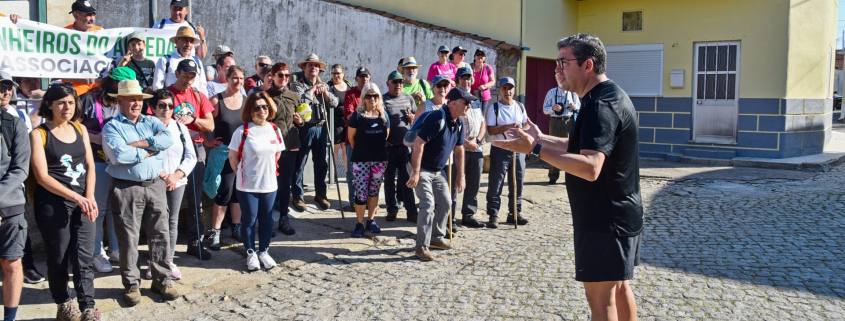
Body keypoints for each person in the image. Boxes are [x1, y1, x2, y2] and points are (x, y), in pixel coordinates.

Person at [493, 34, 643, 321]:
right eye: (556, 62)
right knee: (619, 287)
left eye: (564, 62)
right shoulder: (609, 96)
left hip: (604, 221)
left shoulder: (599, 106)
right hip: (621, 214)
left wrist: (535, 149)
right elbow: (581, 147)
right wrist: (541, 138)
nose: (557, 69)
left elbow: (590, 166)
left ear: (588, 65)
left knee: (601, 300)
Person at [102, 80, 179, 306]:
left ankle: (162, 280)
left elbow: (168, 139)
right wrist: (150, 150)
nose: (136, 103)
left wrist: (139, 144)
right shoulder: (112, 127)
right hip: (127, 187)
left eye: (138, 99)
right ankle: (131, 284)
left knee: (160, 234)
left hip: (155, 184)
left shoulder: (152, 121)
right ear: (120, 101)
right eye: (131, 99)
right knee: (128, 238)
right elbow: (119, 155)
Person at [30, 84, 101, 321]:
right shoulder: (39, 134)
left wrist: (89, 196)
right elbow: (42, 176)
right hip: (53, 204)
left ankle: (88, 307)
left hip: (83, 202)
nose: (67, 107)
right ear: (49, 105)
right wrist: (77, 197)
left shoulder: (80, 129)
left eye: (70, 102)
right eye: (60, 102)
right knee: (58, 256)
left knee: (84, 256)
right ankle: (64, 303)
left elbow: (90, 165)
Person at [79, 67, 136, 273]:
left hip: (119, 162)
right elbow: (74, 126)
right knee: (98, 208)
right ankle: (96, 252)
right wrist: (96, 138)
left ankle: (115, 248)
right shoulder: (88, 100)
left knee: (117, 206)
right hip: (96, 162)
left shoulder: (126, 103)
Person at [406, 88, 472, 261]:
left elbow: (459, 150)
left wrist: (461, 175)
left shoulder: (458, 123)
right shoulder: (437, 118)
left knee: (445, 202)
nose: (468, 106)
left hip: (437, 170)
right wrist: (415, 172)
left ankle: (436, 237)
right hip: (421, 168)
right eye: (466, 102)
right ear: (453, 103)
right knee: (427, 204)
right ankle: (421, 247)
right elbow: (418, 144)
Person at [227, 92, 285, 271]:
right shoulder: (242, 131)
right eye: (257, 107)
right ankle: (251, 253)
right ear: (250, 110)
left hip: (269, 184)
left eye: (265, 107)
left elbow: (277, 153)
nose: (262, 110)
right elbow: (233, 157)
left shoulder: (275, 129)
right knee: (250, 220)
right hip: (247, 186)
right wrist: (243, 174)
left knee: (267, 220)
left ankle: (264, 251)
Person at [166, 59, 215, 259]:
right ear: (177, 73)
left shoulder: (198, 96)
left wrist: (193, 120)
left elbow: (210, 125)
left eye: (192, 76)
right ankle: (164, 244)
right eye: (185, 75)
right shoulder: (166, 94)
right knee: (167, 197)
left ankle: (195, 241)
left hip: (195, 148)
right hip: (171, 149)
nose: (188, 79)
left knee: (195, 197)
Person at [149, 89, 196, 281]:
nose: (166, 109)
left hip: (177, 181)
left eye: (170, 106)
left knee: (172, 221)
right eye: (162, 105)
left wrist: (176, 176)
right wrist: (163, 175)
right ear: (153, 108)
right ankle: (155, 262)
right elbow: (145, 155)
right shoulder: (147, 127)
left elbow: (190, 156)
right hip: (154, 180)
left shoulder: (180, 128)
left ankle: (168, 261)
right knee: (154, 222)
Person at [0, 73, 30, 321]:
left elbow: (20, 169)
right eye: (1, 86)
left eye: (9, 87)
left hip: (10, 207)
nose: (6, 91)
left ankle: (9, 318)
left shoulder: (15, 124)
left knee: (11, 263)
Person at [290, 53, 337, 211]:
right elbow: (301, 101)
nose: (313, 68)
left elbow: (335, 102)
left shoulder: (324, 85)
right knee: (300, 163)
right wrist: (313, 90)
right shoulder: (297, 85)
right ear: (304, 67)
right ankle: (298, 196)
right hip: (305, 128)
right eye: (310, 65)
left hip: (321, 127)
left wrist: (325, 93)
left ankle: (321, 195)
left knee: (321, 163)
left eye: (316, 65)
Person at [206, 66, 245, 249]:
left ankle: (236, 227)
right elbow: (204, 122)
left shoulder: (246, 101)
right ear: (227, 79)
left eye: (241, 78)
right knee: (224, 192)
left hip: (242, 155)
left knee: (237, 193)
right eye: (235, 78)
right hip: (223, 155)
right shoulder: (217, 100)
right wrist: (207, 141)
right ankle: (215, 232)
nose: (238, 81)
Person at [485, 77, 529, 228]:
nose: (507, 91)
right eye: (504, 88)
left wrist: (521, 130)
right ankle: (493, 214)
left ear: (514, 90)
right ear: (500, 90)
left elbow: (526, 125)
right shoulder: (494, 108)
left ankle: (515, 213)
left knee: (518, 182)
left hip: (518, 149)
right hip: (500, 149)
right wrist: (507, 127)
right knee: (496, 182)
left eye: (510, 88)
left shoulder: (520, 107)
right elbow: (490, 130)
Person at [346, 83, 389, 237]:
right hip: (361, 160)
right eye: (369, 96)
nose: (372, 99)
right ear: (363, 98)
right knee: (361, 193)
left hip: (379, 160)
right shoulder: (357, 116)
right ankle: (359, 223)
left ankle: (371, 220)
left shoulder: (384, 116)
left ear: (379, 98)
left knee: (374, 191)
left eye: (375, 96)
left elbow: (386, 136)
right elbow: (351, 138)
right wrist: (363, 150)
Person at [267, 63, 302, 236]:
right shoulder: (265, 96)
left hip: (290, 145)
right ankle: (267, 220)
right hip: (271, 147)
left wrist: (300, 121)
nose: (284, 78)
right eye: (280, 75)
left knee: (285, 184)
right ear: (272, 76)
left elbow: (302, 118)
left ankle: (283, 217)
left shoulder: (294, 96)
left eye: (287, 75)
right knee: (269, 184)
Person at [451, 67, 486, 228]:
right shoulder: (454, 98)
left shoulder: (476, 100)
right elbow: (452, 126)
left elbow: (483, 123)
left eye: (469, 78)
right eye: (463, 78)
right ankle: (450, 218)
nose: (467, 81)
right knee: (454, 184)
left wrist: (477, 140)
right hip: (459, 148)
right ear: (457, 80)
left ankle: (468, 214)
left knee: (474, 183)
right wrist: (465, 142)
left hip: (476, 148)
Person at [382, 71, 418, 222]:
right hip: (388, 147)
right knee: (389, 181)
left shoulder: (408, 98)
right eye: (395, 82)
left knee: (407, 180)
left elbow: (417, 117)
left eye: (400, 82)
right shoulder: (383, 100)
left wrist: (413, 118)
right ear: (388, 83)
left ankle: (411, 211)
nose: (398, 85)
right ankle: (392, 210)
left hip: (405, 147)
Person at [542, 69, 580, 185]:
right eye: (559, 77)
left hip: (569, 122)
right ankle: (553, 176)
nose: (562, 79)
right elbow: (544, 110)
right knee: (553, 148)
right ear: (556, 79)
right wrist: (552, 108)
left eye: (564, 77)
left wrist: (574, 107)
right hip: (555, 122)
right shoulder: (551, 92)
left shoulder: (573, 92)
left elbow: (579, 107)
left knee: (570, 149)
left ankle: (570, 177)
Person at [340, 67, 370, 211]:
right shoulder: (350, 94)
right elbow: (350, 115)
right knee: (352, 172)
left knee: (369, 172)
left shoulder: (373, 94)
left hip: (369, 140)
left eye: (366, 76)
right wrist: (367, 116)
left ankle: (367, 200)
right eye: (361, 76)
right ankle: (353, 202)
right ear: (356, 78)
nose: (364, 79)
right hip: (353, 139)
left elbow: (378, 113)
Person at [152, 26, 209, 95]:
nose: (188, 44)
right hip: (172, 99)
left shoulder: (197, 61)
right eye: (185, 40)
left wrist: (203, 101)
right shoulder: (165, 60)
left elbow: (203, 86)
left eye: (191, 41)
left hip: (195, 101)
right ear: (176, 41)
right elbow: (157, 87)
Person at [63, 0, 103, 96]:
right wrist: (79, 78)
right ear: (76, 15)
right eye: (88, 15)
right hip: (74, 91)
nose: (92, 18)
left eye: (93, 14)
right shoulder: (64, 33)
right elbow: (58, 66)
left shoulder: (101, 31)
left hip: (97, 89)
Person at [328, 64, 352, 205]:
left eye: (338, 73)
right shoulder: (330, 87)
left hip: (347, 123)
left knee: (345, 148)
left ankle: (347, 173)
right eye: (333, 73)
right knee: (335, 149)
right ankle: (334, 175)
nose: (336, 75)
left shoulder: (348, 86)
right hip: (335, 123)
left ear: (343, 74)